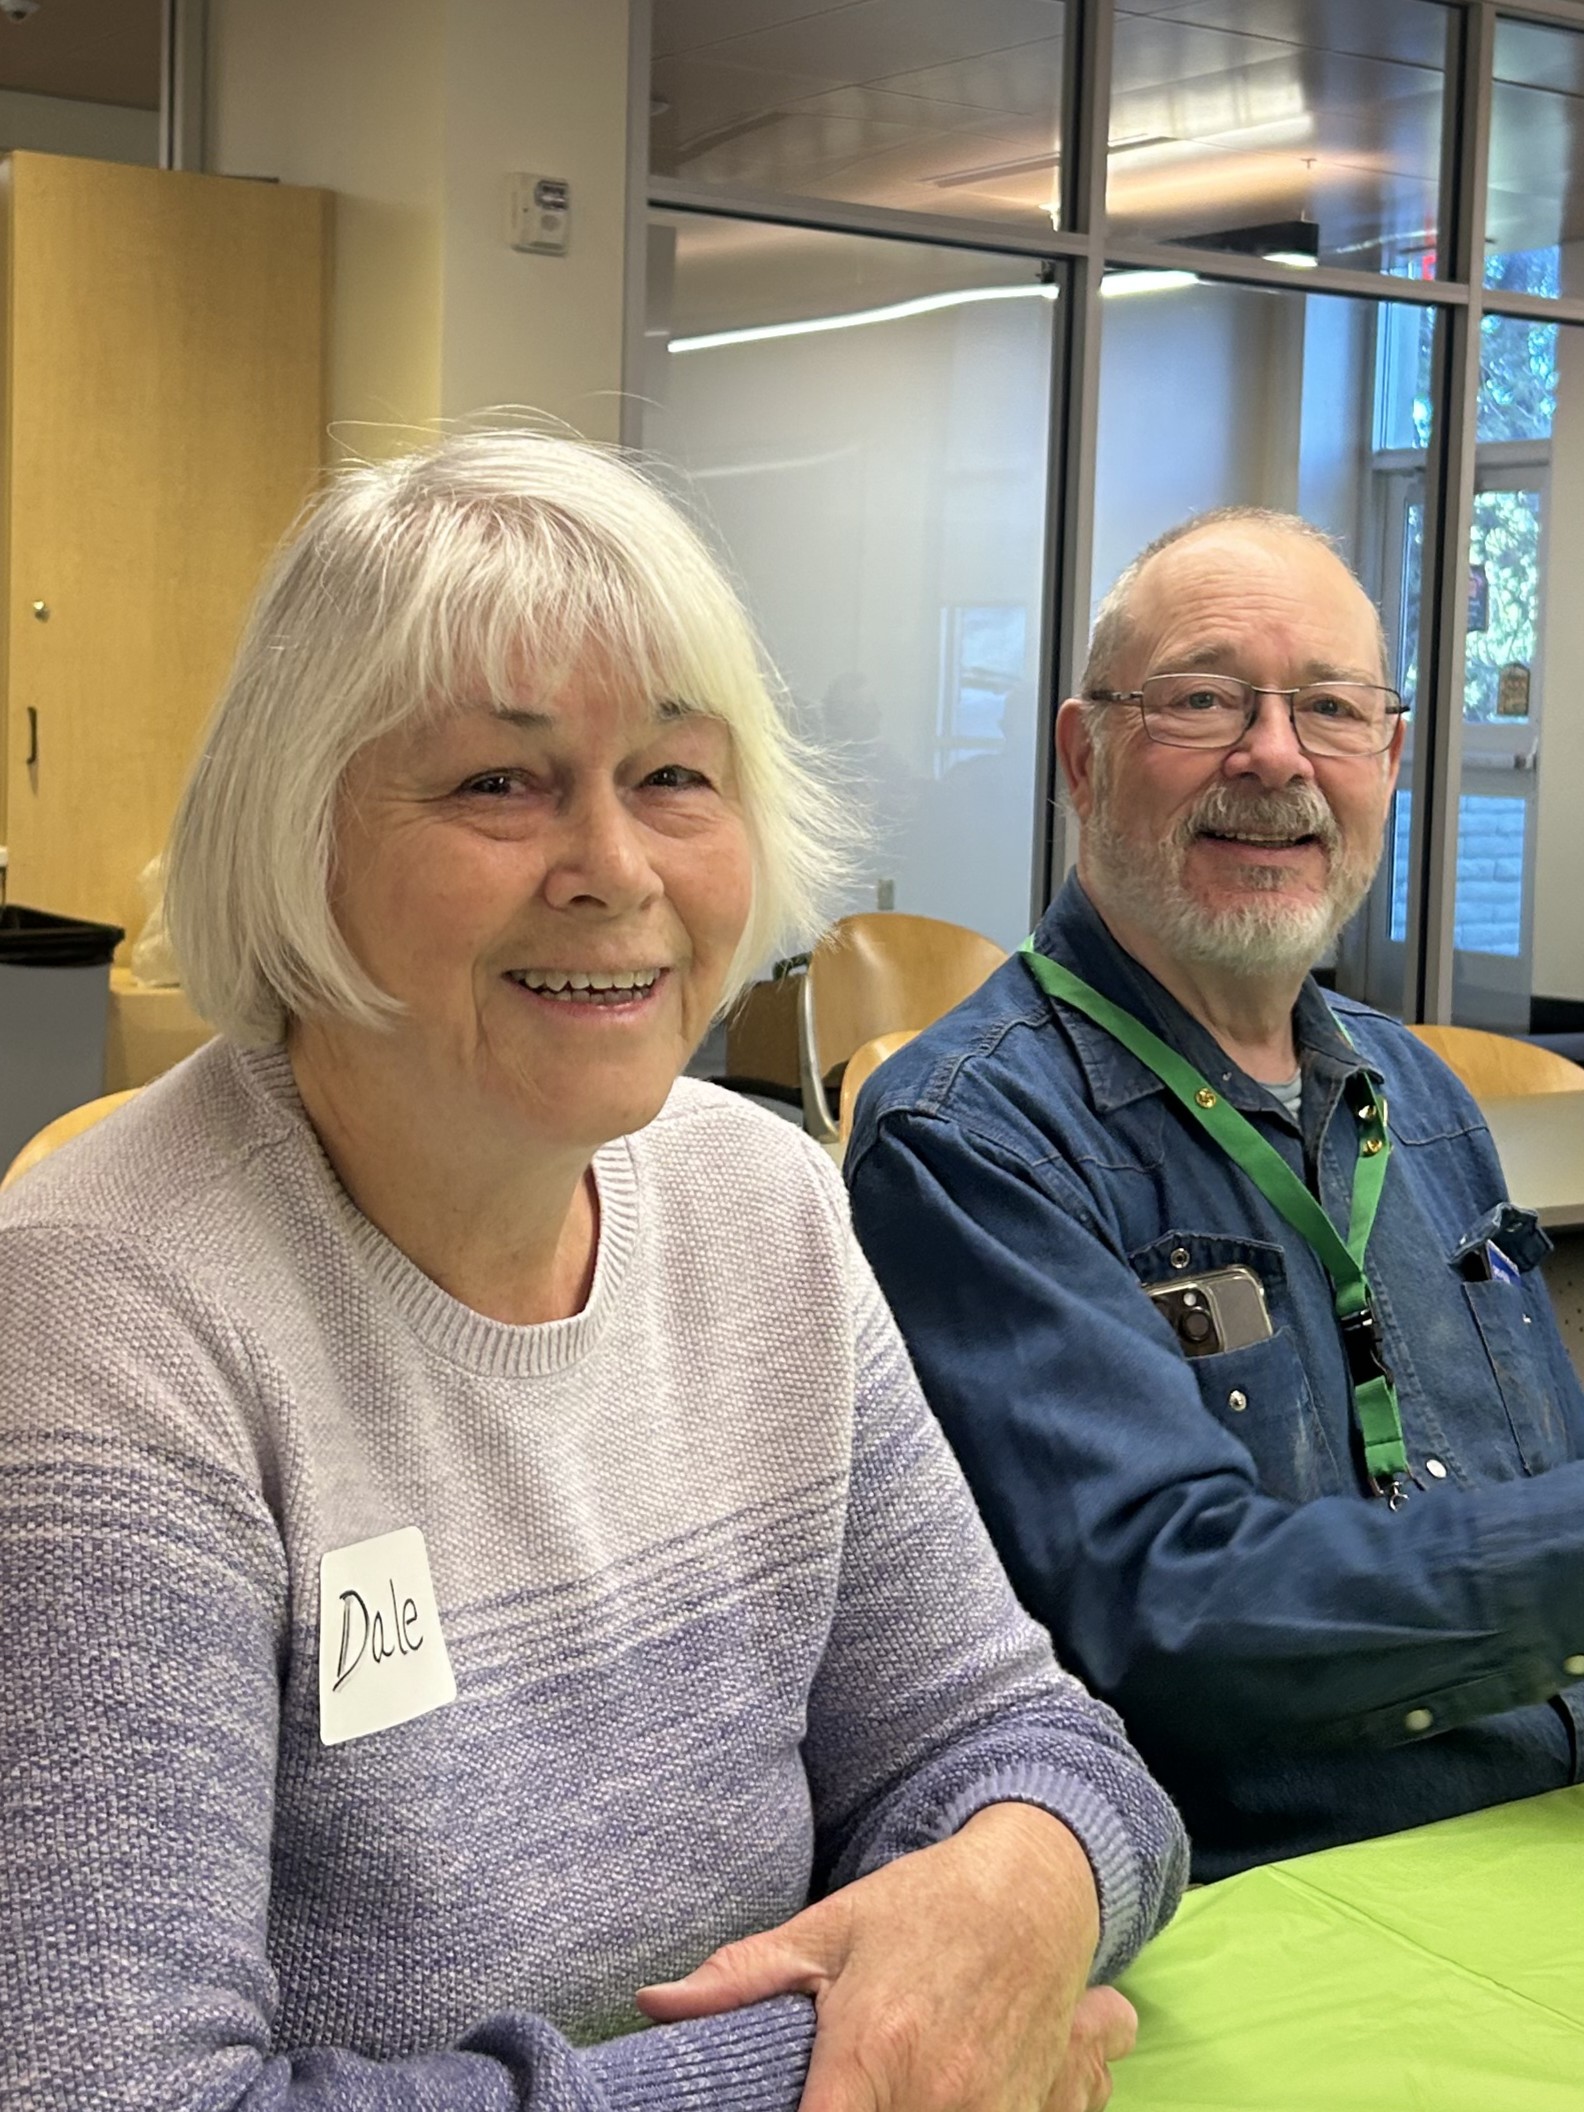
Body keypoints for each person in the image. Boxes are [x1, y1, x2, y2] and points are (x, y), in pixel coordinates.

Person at [0, 432, 1185, 2109]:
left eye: (675, 778)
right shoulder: (104, 1315)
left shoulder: (764, 1201)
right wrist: (841, 2067)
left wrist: (1017, 1898)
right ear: (298, 827)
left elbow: (1032, 1745)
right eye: (501, 781)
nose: (615, 869)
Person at [846, 506, 1584, 1883]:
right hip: (1289, 1895)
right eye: (1202, 700)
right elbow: (1170, 1618)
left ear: (1393, 761)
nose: (1275, 757)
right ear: (1083, 754)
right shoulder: (972, 1143)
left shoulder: (1418, 1104)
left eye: (1331, 710)